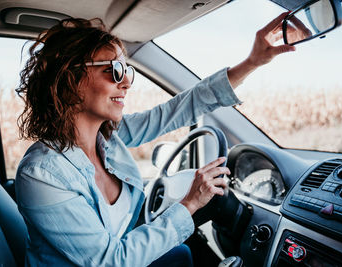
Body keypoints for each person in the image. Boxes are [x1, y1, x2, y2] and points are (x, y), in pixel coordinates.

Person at [15, 12, 295, 267]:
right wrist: (190, 203)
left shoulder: (111, 137)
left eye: (127, 72)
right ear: (70, 78)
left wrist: (252, 62)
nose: (125, 83)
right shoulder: (41, 174)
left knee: (184, 254)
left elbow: (179, 110)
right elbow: (109, 261)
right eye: (114, 71)